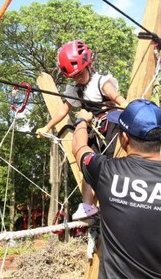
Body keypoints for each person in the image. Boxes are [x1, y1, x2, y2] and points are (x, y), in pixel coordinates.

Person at [72, 99, 161, 278]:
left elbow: (79, 148)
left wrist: (82, 121)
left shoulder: (107, 172)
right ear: (160, 138)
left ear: (124, 138)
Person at [36, 40, 127, 220]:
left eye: (80, 73)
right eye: (74, 76)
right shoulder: (74, 90)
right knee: (88, 166)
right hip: (92, 130)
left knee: (111, 165)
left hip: (110, 128)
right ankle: (87, 206)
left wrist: (128, 106)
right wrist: (47, 126)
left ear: (89, 65)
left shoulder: (101, 81)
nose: (78, 78)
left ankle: (112, 201)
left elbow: (118, 99)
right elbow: (63, 110)